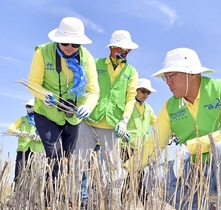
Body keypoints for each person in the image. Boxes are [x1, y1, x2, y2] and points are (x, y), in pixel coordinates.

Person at [124, 48, 221, 210]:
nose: (168, 82)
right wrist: (127, 169)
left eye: (172, 76)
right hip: (198, 171)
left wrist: (189, 147)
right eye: (166, 78)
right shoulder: (169, 107)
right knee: (155, 176)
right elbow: (153, 146)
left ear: (191, 73)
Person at [27, 16, 100, 200]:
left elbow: (93, 91)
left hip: (72, 117)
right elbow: (33, 83)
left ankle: (59, 196)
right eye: (64, 42)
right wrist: (44, 95)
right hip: (46, 113)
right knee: (55, 153)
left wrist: (88, 107)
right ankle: (49, 199)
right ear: (57, 39)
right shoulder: (42, 52)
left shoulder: (88, 58)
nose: (69, 47)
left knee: (66, 161)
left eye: (75, 44)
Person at [75, 29, 139, 207]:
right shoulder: (95, 64)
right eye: (121, 48)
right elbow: (83, 86)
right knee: (78, 164)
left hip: (112, 125)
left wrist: (124, 120)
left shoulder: (131, 72)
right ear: (112, 47)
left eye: (127, 50)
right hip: (90, 120)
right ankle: (77, 201)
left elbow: (130, 98)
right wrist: (82, 105)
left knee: (112, 170)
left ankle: (112, 204)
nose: (124, 52)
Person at [120, 78, 157, 205]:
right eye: (143, 91)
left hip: (141, 147)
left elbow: (157, 123)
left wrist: (172, 132)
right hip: (126, 145)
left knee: (133, 175)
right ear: (135, 90)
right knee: (137, 174)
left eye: (148, 92)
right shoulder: (127, 104)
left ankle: (121, 201)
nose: (145, 95)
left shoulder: (149, 109)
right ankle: (146, 203)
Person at [7, 99, 44, 185]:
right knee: (19, 176)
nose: (29, 109)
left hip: (36, 152)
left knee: (34, 177)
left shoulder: (41, 121)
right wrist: (20, 133)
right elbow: (10, 128)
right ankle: (18, 195)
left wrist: (40, 137)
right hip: (23, 151)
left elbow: (47, 135)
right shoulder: (22, 119)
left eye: (31, 106)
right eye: (28, 106)